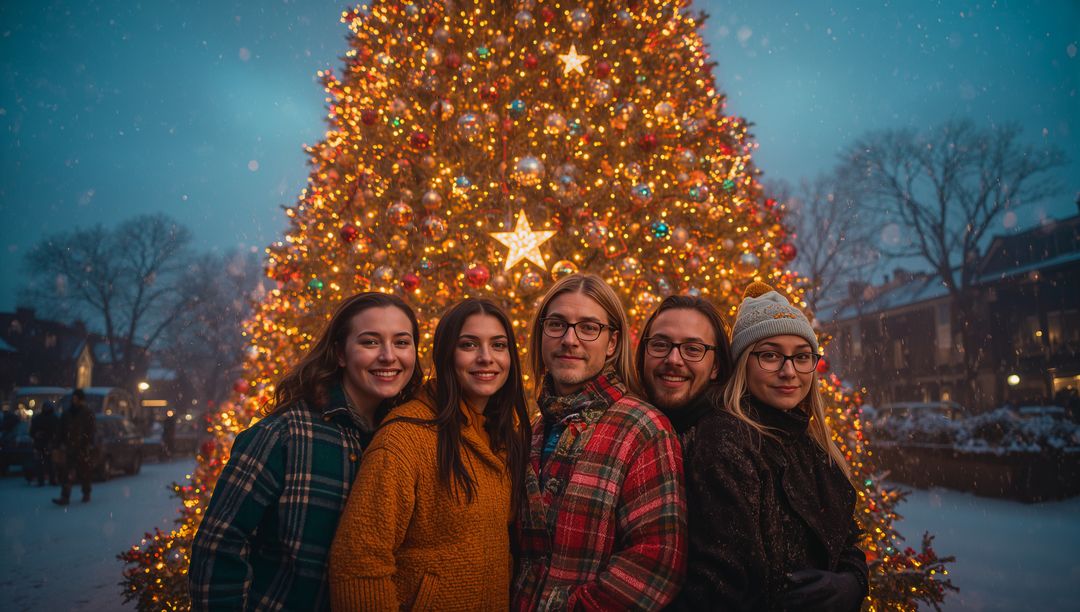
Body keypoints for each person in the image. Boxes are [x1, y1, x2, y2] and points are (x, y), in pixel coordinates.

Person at [189, 292, 422, 611]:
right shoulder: (284, 434)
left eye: (401, 342)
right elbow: (219, 545)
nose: (388, 356)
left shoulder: (409, 437)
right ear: (340, 353)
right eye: (370, 342)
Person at [329, 298, 531, 610]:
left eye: (499, 345)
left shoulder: (504, 439)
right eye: (469, 345)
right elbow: (358, 563)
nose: (486, 358)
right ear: (446, 354)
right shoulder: (405, 437)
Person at [681, 282, 868, 611]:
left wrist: (852, 582)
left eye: (801, 356)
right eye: (770, 355)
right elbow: (726, 580)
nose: (789, 371)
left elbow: (846, 538)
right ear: (742, 364)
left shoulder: (809, 442)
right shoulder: (726, 438)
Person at [512, 273, 686, 611]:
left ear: (612, 343)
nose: (570, 339)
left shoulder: (642, 427)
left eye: (589, 327)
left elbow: (658, 562)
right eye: (557, 324)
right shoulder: (531, 431)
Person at [635, 295, 734, 460]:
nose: (673, 359)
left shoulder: (723, 444)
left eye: (693, 349)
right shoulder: (625, 424)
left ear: (715, 366)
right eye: (660, 345)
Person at [52, 389, 96, 505]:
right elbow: (61, 430)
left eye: (76, 398)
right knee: (67, 472)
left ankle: (86, 493)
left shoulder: (86, 413)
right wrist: (57, 444)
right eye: (74, 398)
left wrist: (87, 442)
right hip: (70, 447)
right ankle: (65, 496)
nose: (74, 400)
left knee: (84, 472)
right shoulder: (68, 413)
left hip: (82, 447)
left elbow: (91, 430)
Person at [30, 400, 60, 486]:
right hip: (43, 444)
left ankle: (48, 480)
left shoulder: (52, 418)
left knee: (48, 463)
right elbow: (32, 432)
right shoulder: (53, 418)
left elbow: (58, 432)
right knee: (45, 463)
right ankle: (45, 480)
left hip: (47, 444)